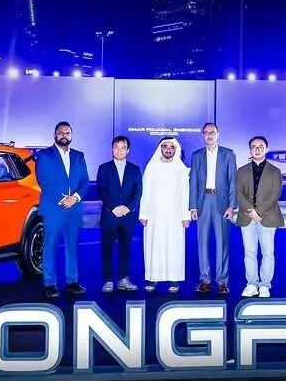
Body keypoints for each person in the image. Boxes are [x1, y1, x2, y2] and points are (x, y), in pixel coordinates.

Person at [34, 121, 90, 298]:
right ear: (54, 135)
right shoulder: (44, 155)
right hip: (53, 208)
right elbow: (43, 181)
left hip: (74, 208)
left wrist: (75, 198)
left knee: (72, 245)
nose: (64, 135)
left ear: (71, 135)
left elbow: (85, 181)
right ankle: (50, 284)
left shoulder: (79, 156)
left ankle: (72, 281)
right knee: (50, 245)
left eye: (67, 132)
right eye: (60, 132)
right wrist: (62, 199)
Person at [189, 122, 237, 295]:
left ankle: (222, 281)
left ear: (218, 134)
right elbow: (193, 182)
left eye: (212, 132)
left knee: (222, 242)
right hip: (202, 202)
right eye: (206, 132)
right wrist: (192, 206)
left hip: (221, 202)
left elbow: (233, 181)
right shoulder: (197, 155)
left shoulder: (228, 154)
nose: (209, 135)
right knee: (202, 242)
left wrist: (232, 205)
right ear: (203, 135)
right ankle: (205, 280)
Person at [140, 137, 190, 293]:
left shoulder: (181, 169)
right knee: (154, 245)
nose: (168, 149)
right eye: (165, 146)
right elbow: (145, 192)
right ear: (160, 148)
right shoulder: (151, 167)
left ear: (176, 150)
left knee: (174, 246)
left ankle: (174, 279)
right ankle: (153, 278)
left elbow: (185, 194)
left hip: (175, 215)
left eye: (171, 147)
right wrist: (144, 213)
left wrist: (185, 216)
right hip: (154, 214)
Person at [236, 135, 283, 298]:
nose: (257, 150)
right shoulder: (242, 170)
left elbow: (275, 194)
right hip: (247, 217)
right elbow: (239, 193)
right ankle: (251, 284)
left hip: (267, 217)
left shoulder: (275, 171)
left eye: (261, 147)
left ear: (266, 149)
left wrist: (258, 212)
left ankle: (265, 285)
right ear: (250, 150)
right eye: (254, 147)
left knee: (268, 253)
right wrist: (251, 211)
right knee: (249, 252)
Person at [97, 135, 142, 293]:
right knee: (107, 248)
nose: (119, 150)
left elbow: (138, 192)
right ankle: (108, 280)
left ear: (128, 150)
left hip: (128, 216)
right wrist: (113, 207)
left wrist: (128, 208)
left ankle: (123, 279)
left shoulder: (135, 169)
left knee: (125, 248)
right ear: (112, 149)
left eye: (123, 148)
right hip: (109, 215)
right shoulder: (104, 168)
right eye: (116, 147)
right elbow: (101, 190)